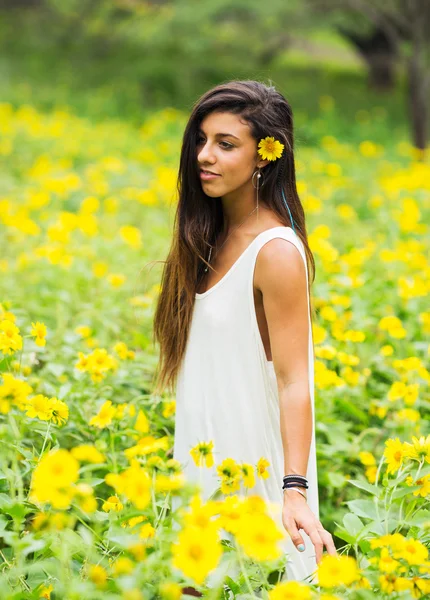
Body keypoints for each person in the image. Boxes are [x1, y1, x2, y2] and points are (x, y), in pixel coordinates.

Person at [152, 80, 337, 589]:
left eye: (225, 144)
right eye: (201, 140)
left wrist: (294, 490)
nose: (204, 156)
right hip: (202, 457)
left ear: (265, 155)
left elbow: (296, 379)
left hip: (252, 469)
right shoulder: (205, 236)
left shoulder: (275, 251)